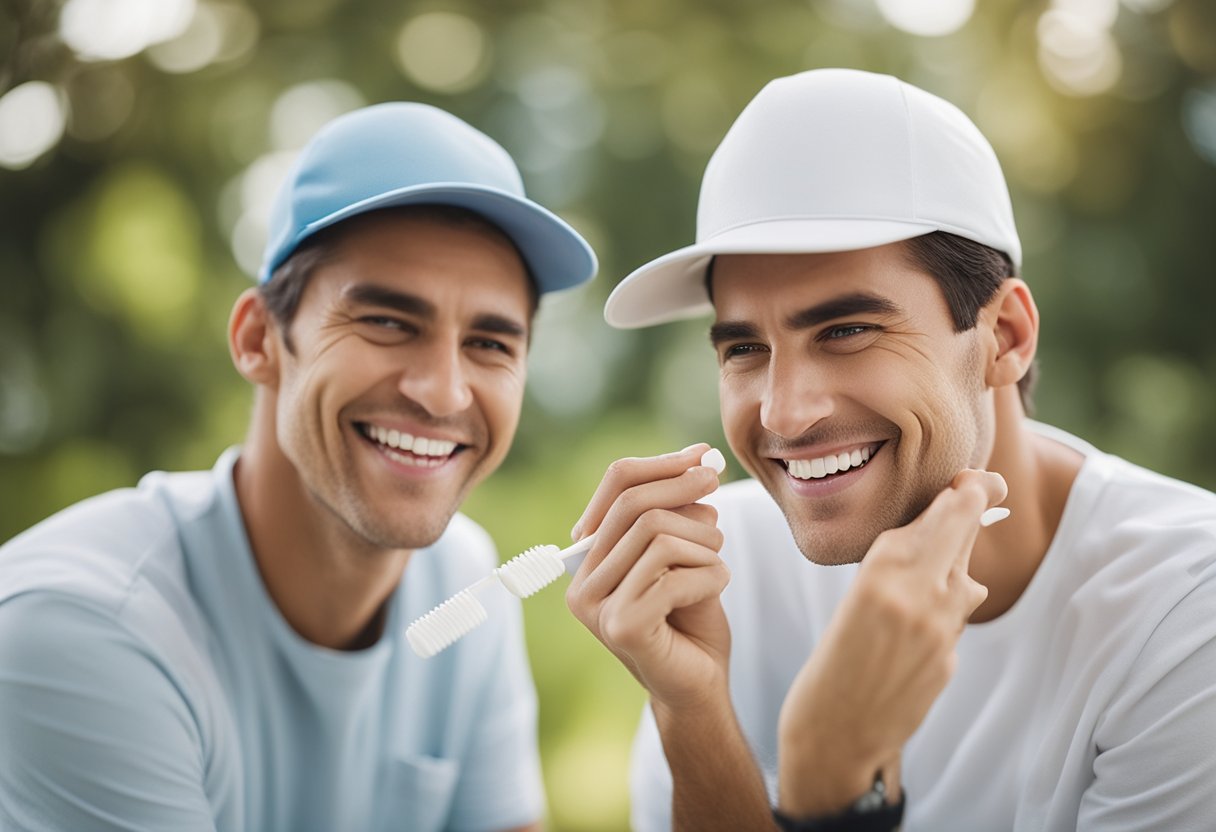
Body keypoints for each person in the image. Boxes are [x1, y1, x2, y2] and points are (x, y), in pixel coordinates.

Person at [565, 68, 1216, 831]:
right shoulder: (718, 572)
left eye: (845, 331)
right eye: (743, 347)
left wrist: (831, 786)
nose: (784, 411)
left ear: (1004, 336)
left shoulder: (1183, 613)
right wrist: (693, 710)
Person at [0, 102, 596, 832]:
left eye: (491, 344)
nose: (443, 390)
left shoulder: (466, 581)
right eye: (385, 321)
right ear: (259, 340)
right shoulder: (81, 628)